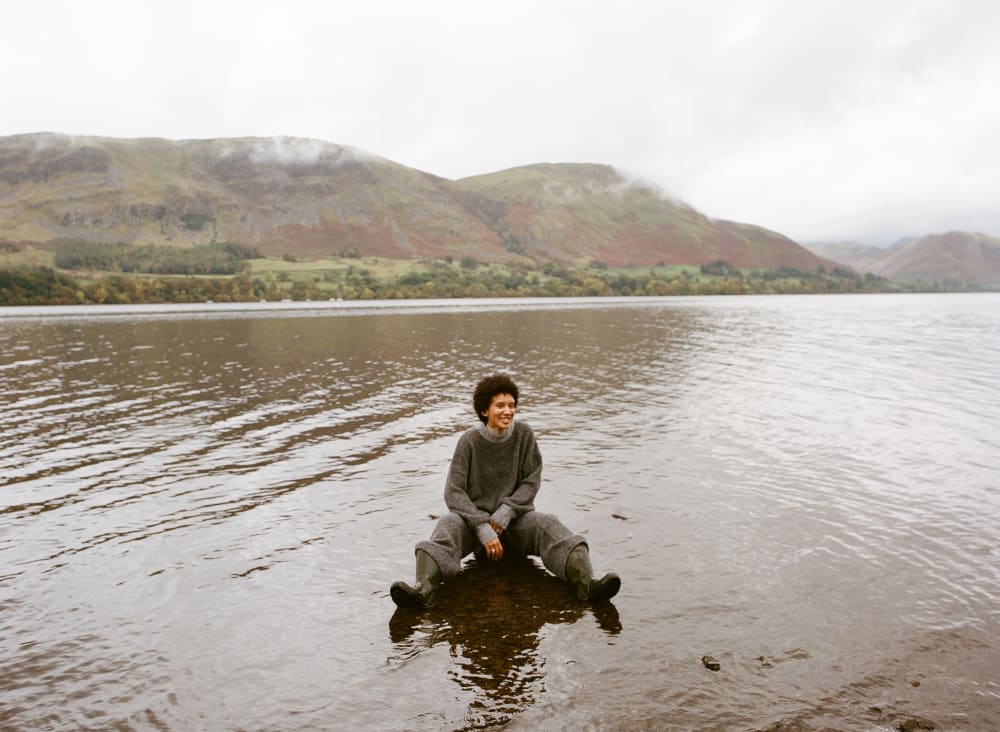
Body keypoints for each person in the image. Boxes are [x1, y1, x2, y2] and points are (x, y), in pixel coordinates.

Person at [391, 373, 621, 609]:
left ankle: (586, 585)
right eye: (500, 405)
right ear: (484, 411)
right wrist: (482, 527)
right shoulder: (468, 442)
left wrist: (508, 510)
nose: (508, 411)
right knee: (447, 524)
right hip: (474, 528)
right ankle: (424, 590)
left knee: (549, 524)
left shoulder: (524, 435)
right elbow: (454, 493)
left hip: (515, 524)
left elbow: (531, 481)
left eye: (512, 405)